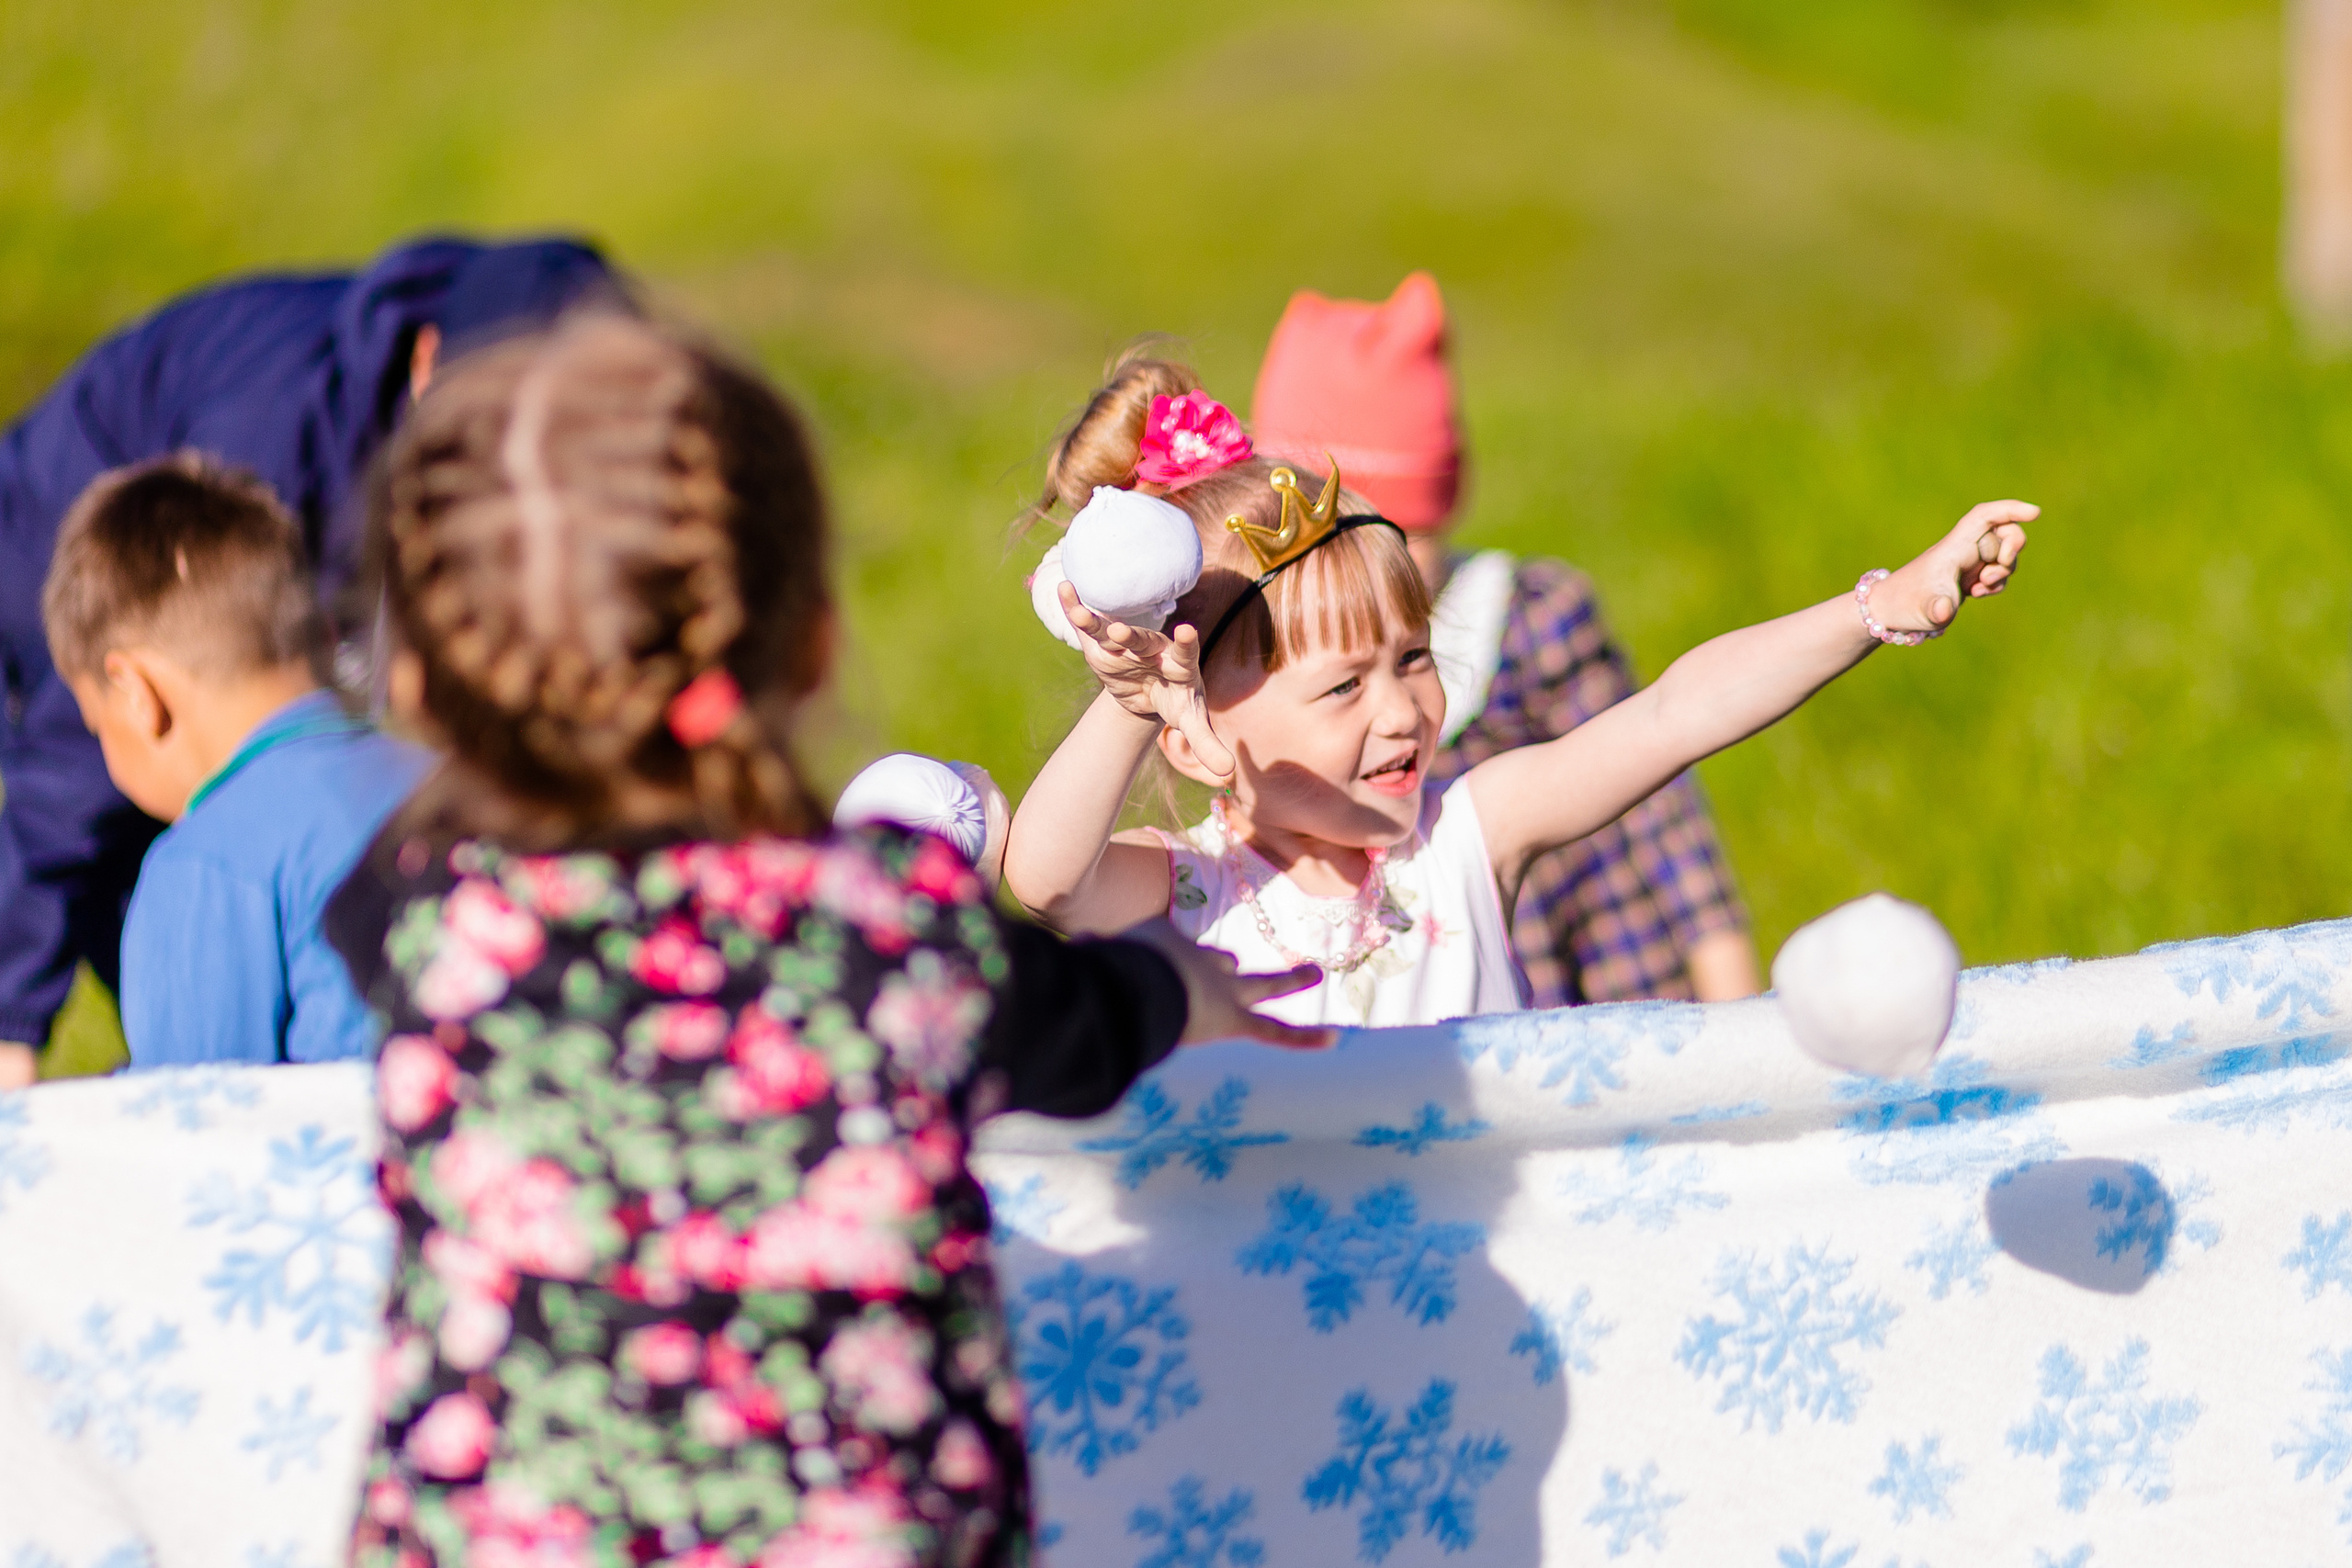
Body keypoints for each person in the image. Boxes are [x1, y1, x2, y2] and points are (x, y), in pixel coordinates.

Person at [326, 315, 1324, 1566]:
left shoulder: (425, 912)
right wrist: (1189, 986)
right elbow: (1089, 1024)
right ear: (811, 641)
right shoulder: (887, 930)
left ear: (423, 679)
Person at [1001, 354, 2031, 1027]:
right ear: (1197, 739)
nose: (1399, 709)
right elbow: (1044, 878)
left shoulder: (1462, 840)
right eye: (1341, 689)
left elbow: (1678, 711)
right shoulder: (1184, 891)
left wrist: (1876, 606)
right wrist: (1136, 699)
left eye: (1411, 658)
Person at [0, 233, 620, 1087]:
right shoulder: (273, 432)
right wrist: (9, 1016)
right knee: (144, 858)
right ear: (429, 360)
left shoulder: (222, 856)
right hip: (70, 561)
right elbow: (78, 748)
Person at [1250, 272, 1760, 1006]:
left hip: (1591, 976)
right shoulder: (1272, 654)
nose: (1384, 568)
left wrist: (1733, 1000)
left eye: (1411, 533)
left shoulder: (1528, 615)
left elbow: (1665, 815)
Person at [40, 454, 427, 1067]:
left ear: (138, 694)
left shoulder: (204, 863)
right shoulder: (445, 779)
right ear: (325, 635)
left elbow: (191, 1133)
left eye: (97, 725)